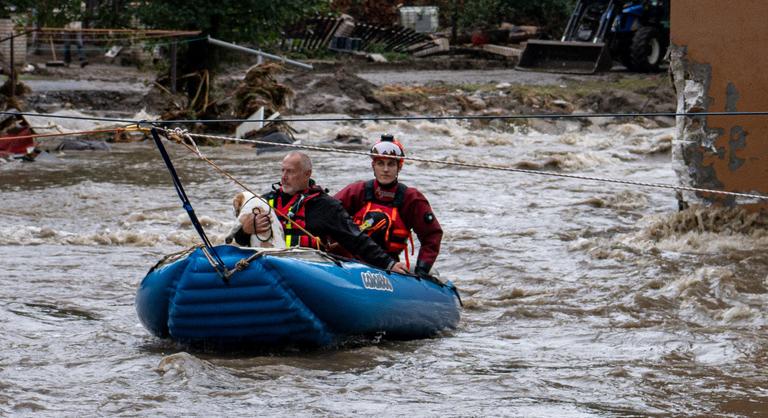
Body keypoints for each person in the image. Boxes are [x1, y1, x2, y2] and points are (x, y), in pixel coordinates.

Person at [234, 151, 408, 274]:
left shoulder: (325, 206)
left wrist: (389, 264)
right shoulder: (265, 202)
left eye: (290, 172)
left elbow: (356, 239)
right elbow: (241, 241)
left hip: (309, 271)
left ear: (306, 174)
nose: (284, 177)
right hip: (269, 267)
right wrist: (246, 230)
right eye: (282, 170)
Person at [335, 134, 442, 277]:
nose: (385, 169)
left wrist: (422, 269)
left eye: (391, 164)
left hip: (389, 267)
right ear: (373, 166)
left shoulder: (411, 199)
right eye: (380, 163)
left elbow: (432, 235)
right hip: (349, 262)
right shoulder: (357, 191)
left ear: (399, 167)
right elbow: (329, 214)